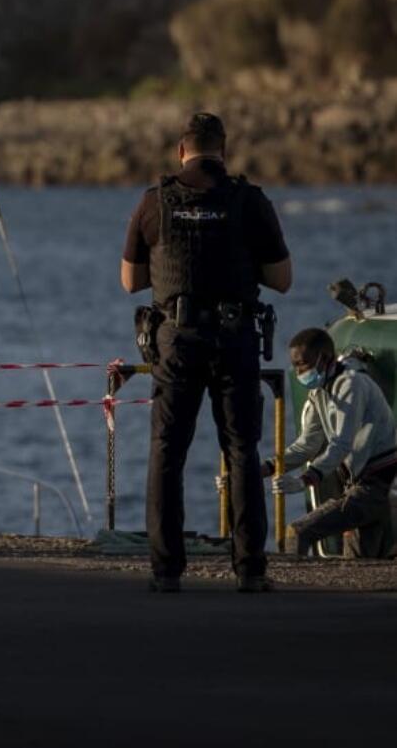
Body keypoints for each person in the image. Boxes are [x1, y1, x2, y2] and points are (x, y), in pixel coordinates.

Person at [121, 112, 293, 592]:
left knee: (167, 452)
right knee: (241, 450)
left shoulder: (154, 202)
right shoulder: (249, 201)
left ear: (181, 151)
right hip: (234, 339)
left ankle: (165, 570)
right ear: (224, 150)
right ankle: (251, 569)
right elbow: (282, 280)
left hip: (176, 341)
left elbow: (131, 281)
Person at [270, 328, 396, 559]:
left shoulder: (351, 384)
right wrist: (266, 467)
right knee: (360, 563)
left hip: (375, 487)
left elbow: (341, 443)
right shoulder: (320, 391)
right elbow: (306, 445)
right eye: (296, 365)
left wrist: (306, 480)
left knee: (298, 532)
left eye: (304, 364)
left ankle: (292, 593)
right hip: (359, 486)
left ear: (324, 358)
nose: (299, 371)